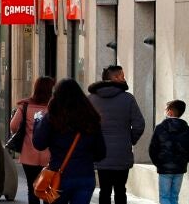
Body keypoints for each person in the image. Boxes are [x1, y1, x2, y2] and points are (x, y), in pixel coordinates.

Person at [33, 78, 107, 204]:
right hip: (85, 175)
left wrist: (37, 124)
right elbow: (101, 153)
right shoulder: (91, 118)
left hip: (59, 176)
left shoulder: (52, 117)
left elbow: (39, 144)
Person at [88, 66, 145, 204]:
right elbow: (139, 124)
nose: (124, 79)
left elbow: (85, 126)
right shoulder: (128, 98)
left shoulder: (91, 99)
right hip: (122, 153)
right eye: (122, 76)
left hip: (100, 154)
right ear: (114, 78)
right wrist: (129, 139)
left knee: (104, 191)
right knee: (120, 190)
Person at [9, 76, 55, 204]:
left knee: (32, 188)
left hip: (29, 154)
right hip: (50, 156)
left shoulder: (25, 106)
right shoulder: (54, 107)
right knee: (48, 188)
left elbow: (13, 126)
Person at [149, 100, 189, 204]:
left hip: (164, 169)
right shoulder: (186, 129)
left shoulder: (160, 128)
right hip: (180, 168)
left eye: (166, 109)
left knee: (164, 196)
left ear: (170, 112)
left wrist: (159, 163)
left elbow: (152, 149)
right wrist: (184, 161)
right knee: (174, 196)